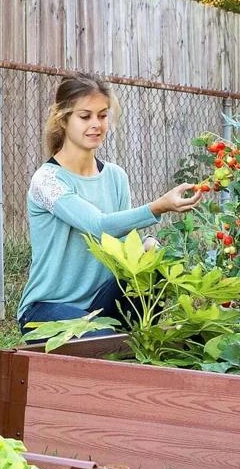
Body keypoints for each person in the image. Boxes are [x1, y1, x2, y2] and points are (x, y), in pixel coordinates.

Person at [17, 72, 201, 340]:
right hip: (46, 309)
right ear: (63, 119)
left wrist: (147, 246)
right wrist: (157, 207)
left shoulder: (116, 176)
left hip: (101, 304)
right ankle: (112, 339)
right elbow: (98, 225)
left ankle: (137, 336)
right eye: (85, 116)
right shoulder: (47, 180)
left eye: (102, 116)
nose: (96, 124)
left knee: (153, 261)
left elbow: (124, 250)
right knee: (101, 338)